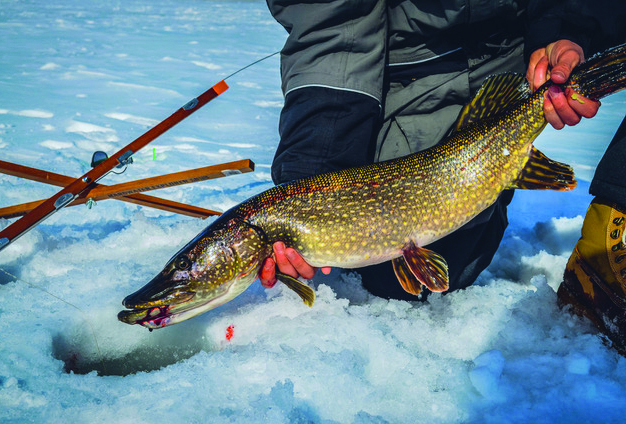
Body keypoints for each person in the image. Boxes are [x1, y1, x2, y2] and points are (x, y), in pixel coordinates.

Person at [260, 1, 626, 351]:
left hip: (512, 50)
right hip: (399, 60)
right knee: (390, 282)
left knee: (446, 259)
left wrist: (568, 28)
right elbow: (330, 27)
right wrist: (310, 174)